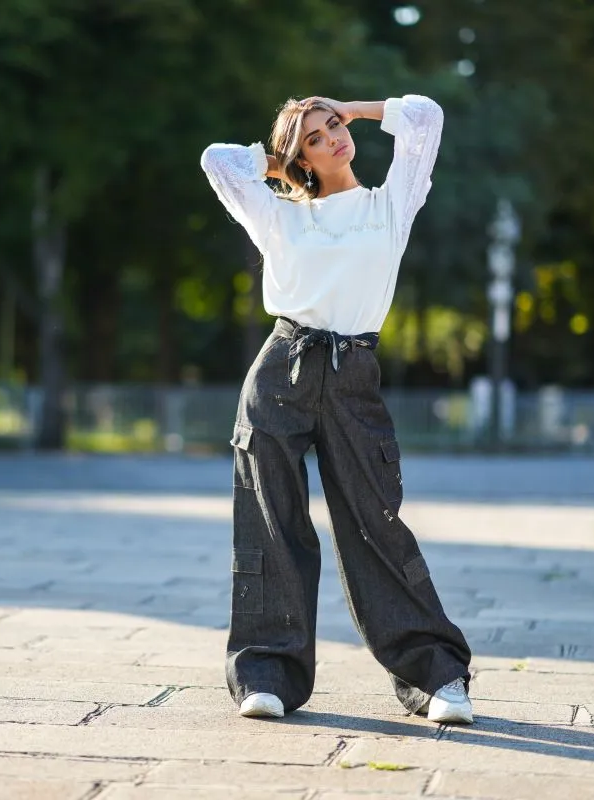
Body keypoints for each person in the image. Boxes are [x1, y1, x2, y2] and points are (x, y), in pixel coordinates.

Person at [199, 95, 474, 725]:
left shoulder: (390, 204)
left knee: (375, 522)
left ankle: (435, 676)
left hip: (354, 376)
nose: (335, 139)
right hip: (281, 372)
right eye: (318, 138)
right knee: (273, 523)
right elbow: (219, 162)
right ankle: (266, 674)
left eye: (336, 128)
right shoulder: (277, 217)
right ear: (303, 156)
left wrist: (350, 107)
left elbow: (427, 117)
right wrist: (285, 165)